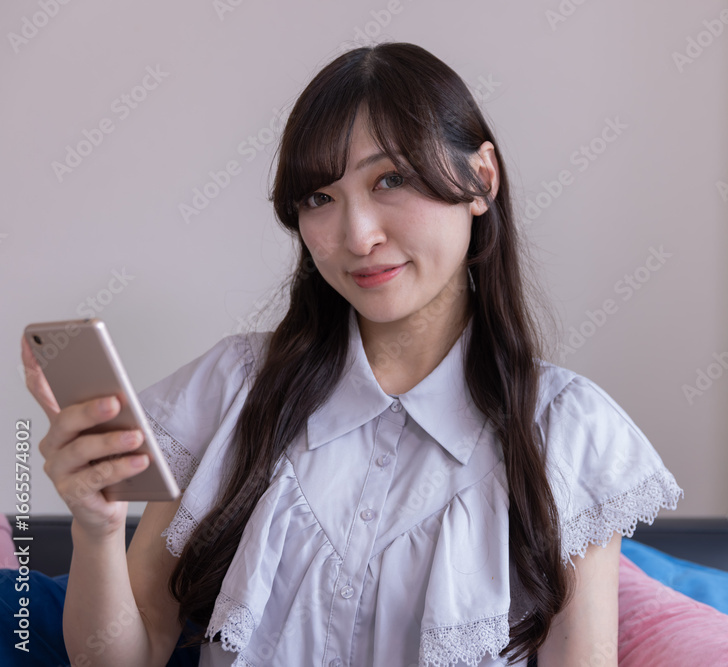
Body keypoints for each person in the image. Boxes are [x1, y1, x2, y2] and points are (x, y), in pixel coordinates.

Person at [18, 42, 682, 666]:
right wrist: (96, 531)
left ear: (481, 178)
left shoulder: (568, 431)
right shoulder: (232, 389)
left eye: (390, 179)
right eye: (319, 198)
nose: (357, 236)